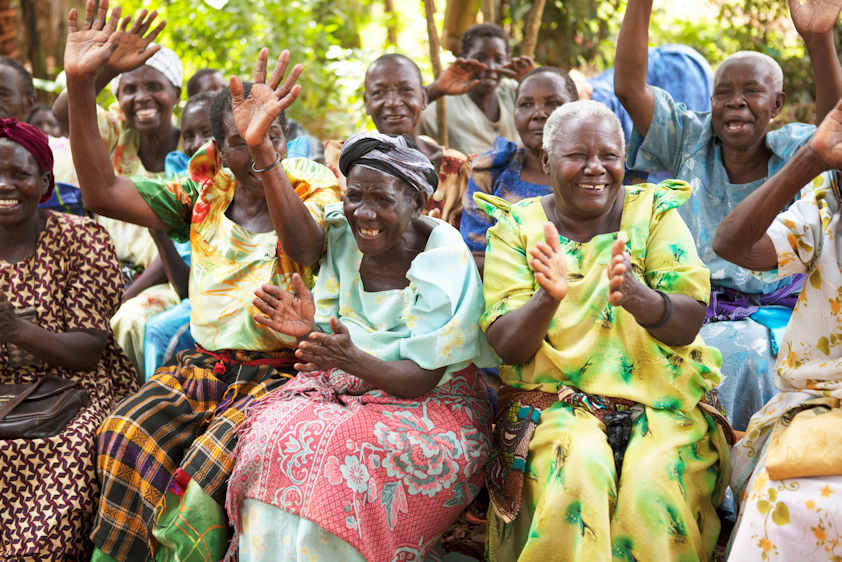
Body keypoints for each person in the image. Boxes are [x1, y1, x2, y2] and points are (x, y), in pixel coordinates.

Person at [61, 2, 340, 559]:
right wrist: (80, 83)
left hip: (279, 378)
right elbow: (100, 193)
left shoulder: (309, 185)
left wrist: (264, 154)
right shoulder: (204, 195)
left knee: (201, 475)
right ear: (217, 150)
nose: (264, 144)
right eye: (242, 139)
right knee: (122, 437)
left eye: (275, 134)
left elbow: (307, 247)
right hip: (202, 370)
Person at [225, 132, 495, 561]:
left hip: (433, 404)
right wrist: (306, 332)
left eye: (383, 200)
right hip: (347, 384)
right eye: (355, 196)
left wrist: (351, 360)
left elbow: (420, 378)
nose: (364, 213)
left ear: (418, 203)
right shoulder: (344, 231)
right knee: (271, 436)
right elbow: (332, 341)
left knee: (342, 454)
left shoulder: (442, 257)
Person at [479, 101, 730, 561]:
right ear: (547, 160)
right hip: (555, 403)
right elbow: (507, 346)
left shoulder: (652, 213)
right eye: (578, 155)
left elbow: (689, 320)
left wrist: (641, 299)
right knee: (576, 475)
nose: (596, 168)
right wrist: (546, 299)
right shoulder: (517, 228)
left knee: (653, 494)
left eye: (609, 155)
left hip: (662, 401)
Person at [613, 0, 842, 431]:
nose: (736, 103)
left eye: (751, 92)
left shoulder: (796, 149)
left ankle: (734, 476)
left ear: (776, 104)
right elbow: (628, 89)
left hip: (771, 317)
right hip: (687, 308)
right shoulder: (687, 138)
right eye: (723, 93)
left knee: (744, 353)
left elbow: (834, 128)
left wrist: (818, 39)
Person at [0, 118, 137, 559]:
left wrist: (17, 329)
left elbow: (87, 349)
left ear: (43, 183)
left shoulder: (80, 239)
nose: (5, 186)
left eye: (19, 174)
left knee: (71, 449)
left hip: (77, 388)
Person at [712, 99, 842, 562]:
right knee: (781, 504)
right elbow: (730, 244)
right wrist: (811, 159)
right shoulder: (825, 209)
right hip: (822, 409)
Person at [325, 53, 470, 224]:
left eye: (406, 90)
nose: (393, 102)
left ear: (424, 97)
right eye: (379, 92)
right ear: (367, 103)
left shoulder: (456, 168)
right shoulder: (338, 159)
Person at [460, 66, 578, 271]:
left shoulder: (598, 173)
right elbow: (474, 256)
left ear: (577, 108)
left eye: (553, 103)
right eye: (526, 104)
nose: (539, 113)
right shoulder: (490, 172)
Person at [419, 23, 536, 156]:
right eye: (480, 58)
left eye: (499, 59)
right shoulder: (442, 106)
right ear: (463, 57)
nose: (490, 67)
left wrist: (535, 80)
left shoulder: (515, 92)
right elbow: (404, 114)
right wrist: (436, 89)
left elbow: (557, 118)